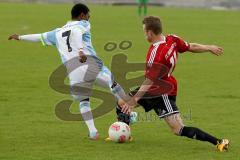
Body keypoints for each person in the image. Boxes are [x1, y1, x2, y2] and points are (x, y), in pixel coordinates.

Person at [8, 3, 129, 140]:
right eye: (88, 15)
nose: (89, 18)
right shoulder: (83, 24)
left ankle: (93, 132)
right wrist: (81, 50)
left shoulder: (57, 32)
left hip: (74, 73)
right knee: (113, 84)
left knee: (83, 100)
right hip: (90, 65)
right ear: (82, 15)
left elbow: (39, 36)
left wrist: (20, 37)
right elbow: (77, 33)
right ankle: (128, 112)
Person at [117, 16, 229, 152]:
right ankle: (124, 134)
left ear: (150, 33)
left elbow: (149, 80)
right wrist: (208, 47)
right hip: (155, 87)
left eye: (144, 31)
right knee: (122, 102)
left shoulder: (156, 53)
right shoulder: (172, 39)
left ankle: (219, 142)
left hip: (163, 92)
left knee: (178, 129)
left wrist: (134, 100)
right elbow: (190, 46)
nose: (144, 34)